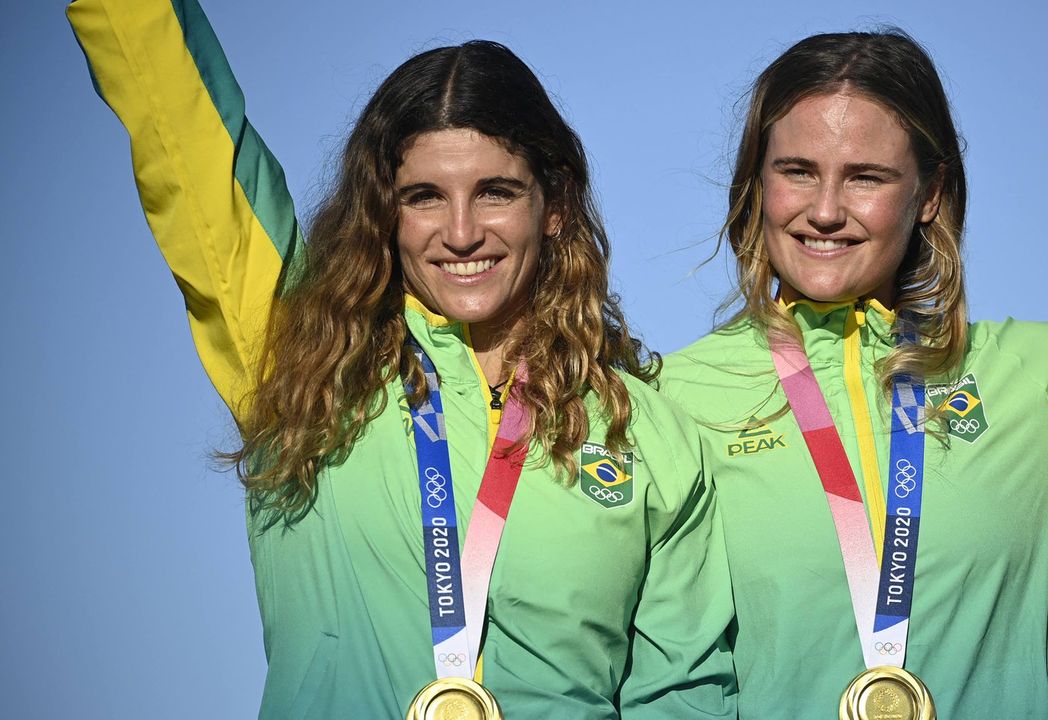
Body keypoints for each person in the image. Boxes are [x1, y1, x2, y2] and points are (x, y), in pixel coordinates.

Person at [67, 0, 736, 718]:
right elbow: (179, 119)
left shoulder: (649, 435)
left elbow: (683, 697)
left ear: (556, 204)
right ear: (383, 210)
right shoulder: (301, 355)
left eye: (496, 193)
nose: (460, 232)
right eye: (424, 197)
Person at [658, 29, 1048, 719]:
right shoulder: (672, 400)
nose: (826, 210)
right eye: (797, 170)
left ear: (929, 192)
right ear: (757, 182)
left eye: (866, 176)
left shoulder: (1032, 378)